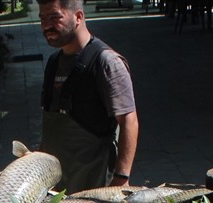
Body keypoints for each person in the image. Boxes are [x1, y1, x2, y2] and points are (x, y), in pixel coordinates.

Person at [37, 0, 139, 192]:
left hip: (95, 191)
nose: (46, 25)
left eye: (55, 17)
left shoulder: (106, 62)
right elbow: (54, 128)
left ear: (78, 17)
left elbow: (129, 121)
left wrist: (121, 179)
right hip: (56, 188)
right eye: (42, 18)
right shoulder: (53, 62)